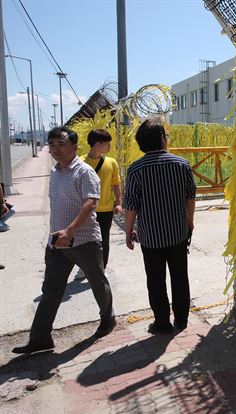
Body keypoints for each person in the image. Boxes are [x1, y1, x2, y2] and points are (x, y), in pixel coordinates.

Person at [12, 127, 116, 354]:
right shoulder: (56, 172)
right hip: (58, 241)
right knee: (51, 290)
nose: (55, 149)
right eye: (52, 145)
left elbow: (90, 203)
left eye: (60, 144)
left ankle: (108, 319)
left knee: (97, 282)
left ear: (74, 147)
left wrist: (70, 231)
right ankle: (40, 337)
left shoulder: (85, 172)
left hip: (84, 240)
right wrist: (61, 234)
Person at [124, 118, 196, 334]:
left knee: (155, 280)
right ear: (163, 138)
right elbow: (190, 197)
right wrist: (190, 221)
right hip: (177, 232)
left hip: (150, 236)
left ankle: (162, 323)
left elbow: (131, 205)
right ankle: (182, 320)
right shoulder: (181, 164)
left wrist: (129, 230)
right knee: (180, 277)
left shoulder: (136, 169)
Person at [72, 129, 122, 281]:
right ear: (97, 144)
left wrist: (118, 203)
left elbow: (116, 184)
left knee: (103, 241)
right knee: (83, 241)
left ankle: (101, 268)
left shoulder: (111, 162)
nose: (109, 147)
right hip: (85, 210)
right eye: (106, 144)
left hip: (106, 209)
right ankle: (83, 268)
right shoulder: (79, 162)